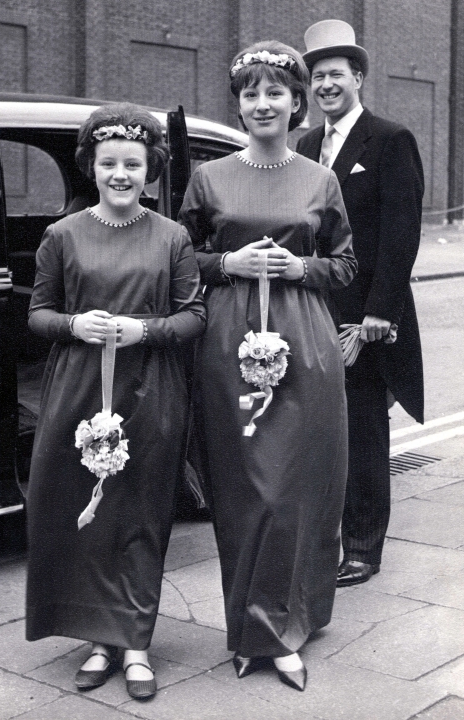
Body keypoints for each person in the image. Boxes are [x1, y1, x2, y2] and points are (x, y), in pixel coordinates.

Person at [179, 41, 357, 691]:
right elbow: (179, 257)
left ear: (295, 102)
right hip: (229, 346)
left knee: (294, 492)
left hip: (302, 345)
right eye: (250, 93)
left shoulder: (320, 180)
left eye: (274, 92)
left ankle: (287, 627)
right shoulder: (210, 178)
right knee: (242, 490)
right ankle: (248, 629)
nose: (262, 103)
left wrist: (299, 266)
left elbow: (343, 263)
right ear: (239, 103)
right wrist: (226, 264)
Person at [25, 103, 206, 700]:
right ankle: (97, 639)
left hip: (150, 391)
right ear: (91, 168)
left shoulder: (173, 237)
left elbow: (193, 317)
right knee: (85, 512)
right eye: (109, 163)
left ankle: (135, 644)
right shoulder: (63, 235)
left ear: (151, 168)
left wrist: (144, 332)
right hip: (78, 390)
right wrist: (76, 325)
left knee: (141, 513)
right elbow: (39, 315)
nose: (121, 174)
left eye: (133, 163)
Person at [297, 20, 424, 587]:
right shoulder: (304, 145)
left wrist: (379, 313)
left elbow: (402, 235)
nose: (326, 85)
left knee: (363, 428)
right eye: (318, 76)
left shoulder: (390, 140)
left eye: (336, 75)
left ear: (359, 79)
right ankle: (327, 535)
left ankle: (363, 548)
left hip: (362, 318)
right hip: (310, 308)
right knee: (320, 427)